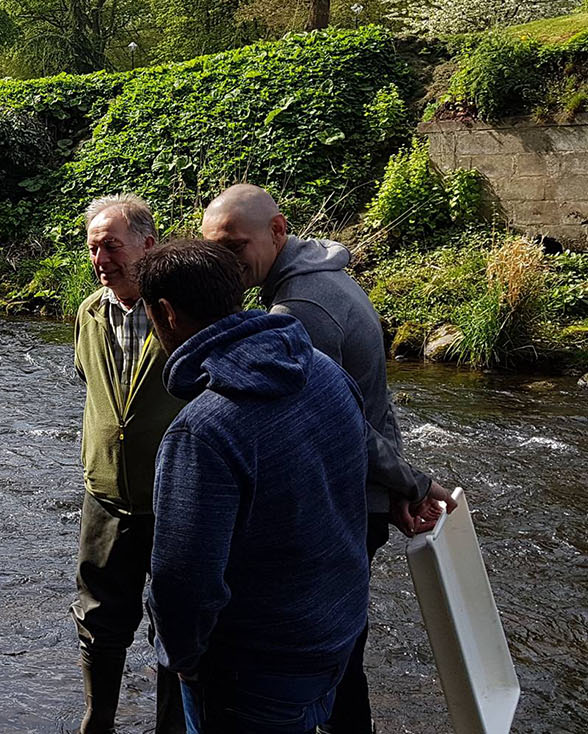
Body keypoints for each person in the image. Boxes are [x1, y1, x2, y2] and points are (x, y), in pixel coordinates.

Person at [200, 184, 456, 733]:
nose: (225, 262)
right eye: (213, 248)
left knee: (331, 663)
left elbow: (339, 423)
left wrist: (407, 483)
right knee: (340, 652)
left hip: (344, 499)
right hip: (361, 490)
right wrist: (393, 489)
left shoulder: (301, 311)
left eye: (235, 246)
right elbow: (366, 406)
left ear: (278, 230)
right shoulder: (324, 274)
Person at [138, 239, 370, 734]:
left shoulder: (203, 429)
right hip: (336, 635)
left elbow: (183, 577)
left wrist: (183, 658)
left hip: (254, 672)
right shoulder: (324, 371)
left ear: (165, 313)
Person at [69, 195, 185, 734]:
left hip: (176, 498)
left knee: (177, 621)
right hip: (107, 494)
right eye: (94, 248)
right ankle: (99, 721)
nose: (101, 259)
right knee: (98, 615)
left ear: (148, 244)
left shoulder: (181, 311)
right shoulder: (89, 312)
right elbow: (90, 385)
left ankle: (171, 725)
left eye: (112, 245)